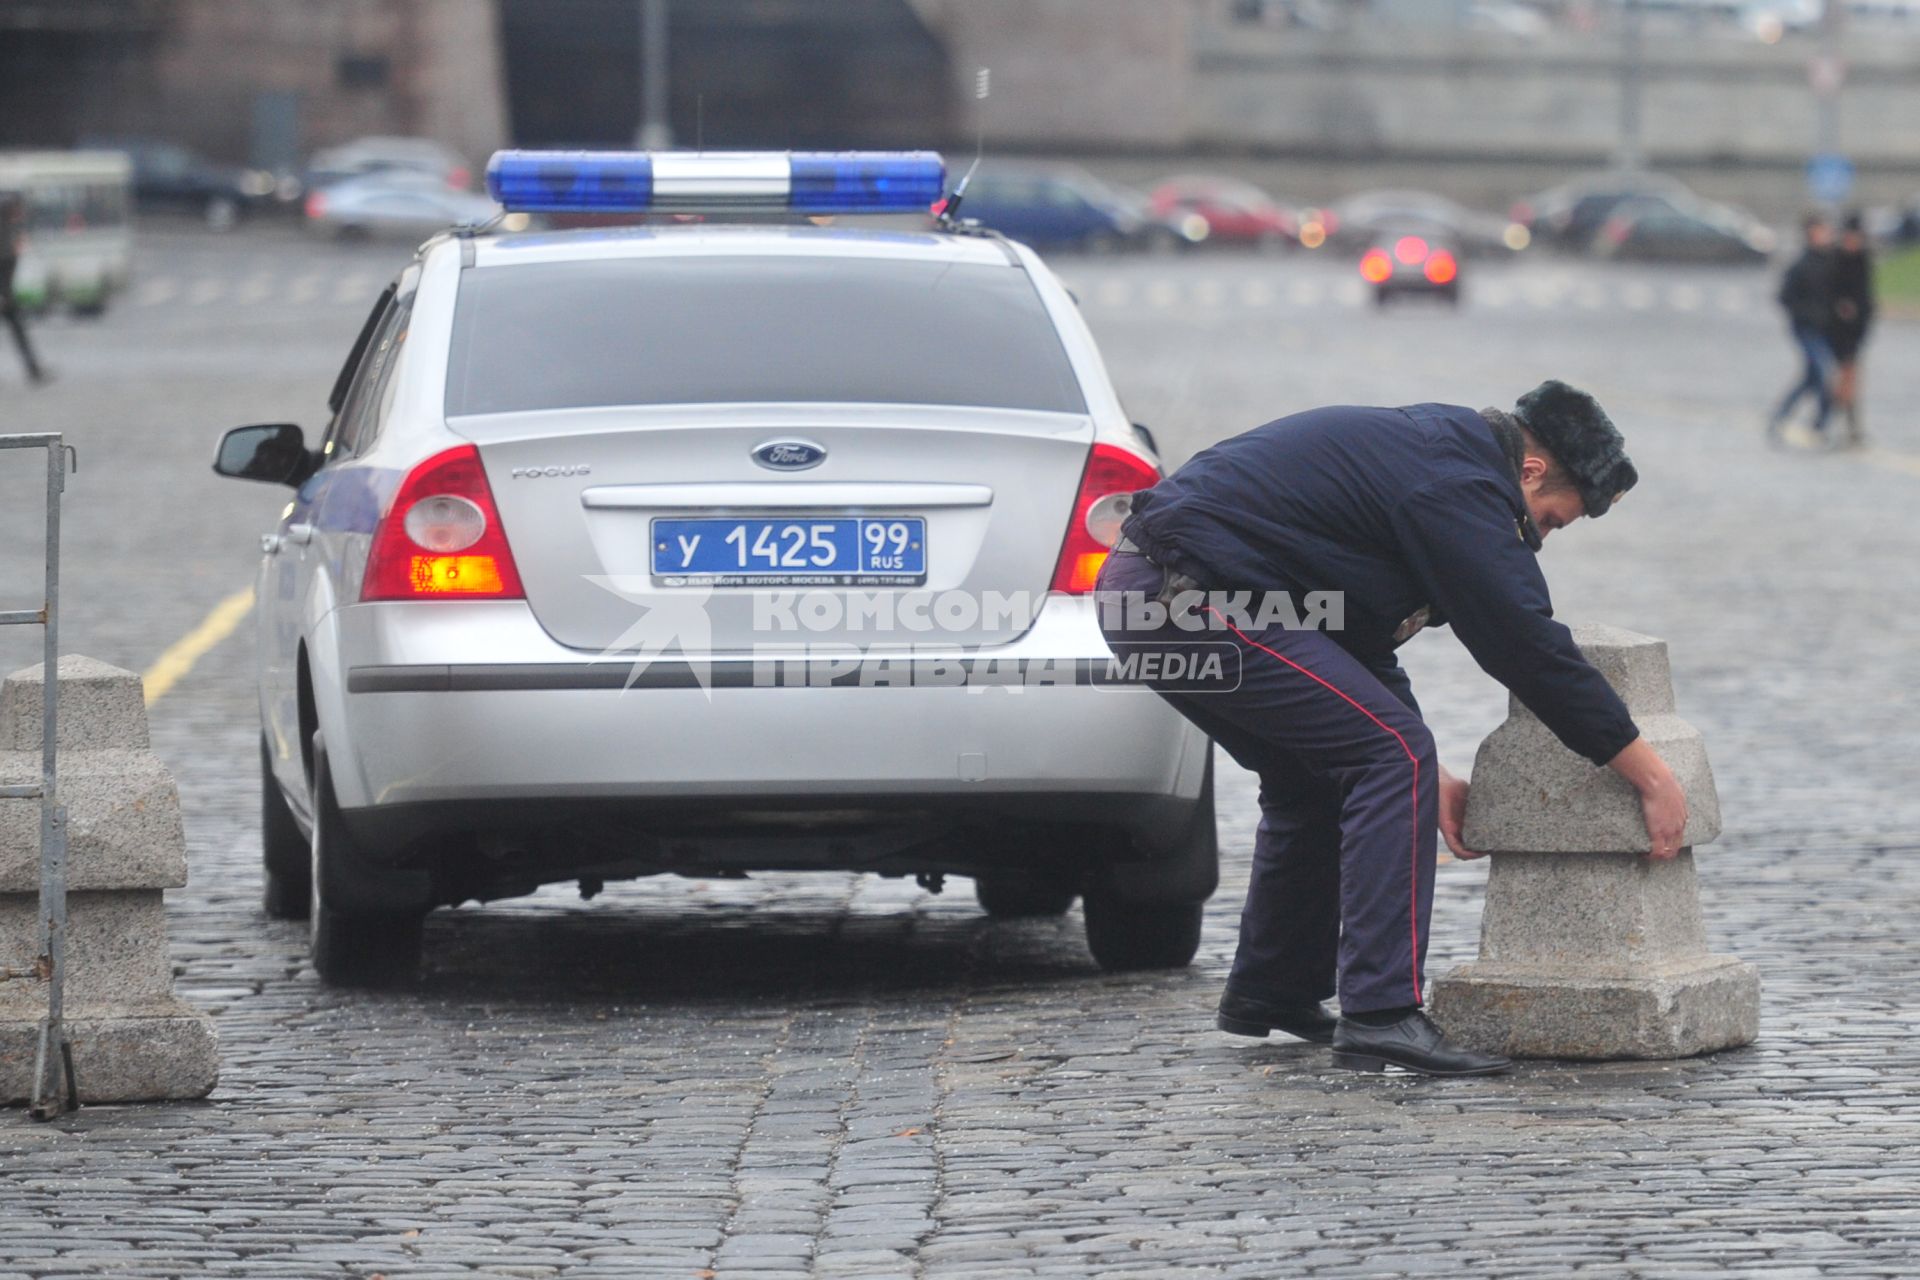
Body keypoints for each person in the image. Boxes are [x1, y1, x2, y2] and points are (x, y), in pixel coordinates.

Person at [1094, 382, 1689, 1077]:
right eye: (1552, 521)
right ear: (1529, 470)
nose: (1543, 538)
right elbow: (1525, 643)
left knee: (1317, 774)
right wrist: (1649, 773)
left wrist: (1424, 776)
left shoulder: (1437, 461)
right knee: (1392, 755)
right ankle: (1382, 1014)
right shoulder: (1456, 486)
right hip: (1184, 595)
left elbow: (1357, 635)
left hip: (1158, 594)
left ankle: (1274, 990)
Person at [1768, 214, 1837, 447]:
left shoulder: (1831, 262)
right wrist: (1805, 313)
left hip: (1825, 329)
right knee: (1823, 374)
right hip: (1807, 329)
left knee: (1811, 379)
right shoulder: (1802, 264)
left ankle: (1780, 417)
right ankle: (1819, 424)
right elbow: (1785, 296)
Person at [1829, 211, 1875, 447]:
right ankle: (1838, 420)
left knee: (1850, 376)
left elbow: (1867, 297)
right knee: (1842, 376)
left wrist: (1862, 318)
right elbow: (1830, 292)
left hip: (1855, 330)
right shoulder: (1836, 259)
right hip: (1836, 328)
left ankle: (1846, 422)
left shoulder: (1863, 260)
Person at [0, 192, 49, 386]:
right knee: (18, 330)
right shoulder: (4, 233)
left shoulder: (11, 230)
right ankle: (34, 369)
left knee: (19, 330)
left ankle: (34, 369)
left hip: (6, 295)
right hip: (3, 294)